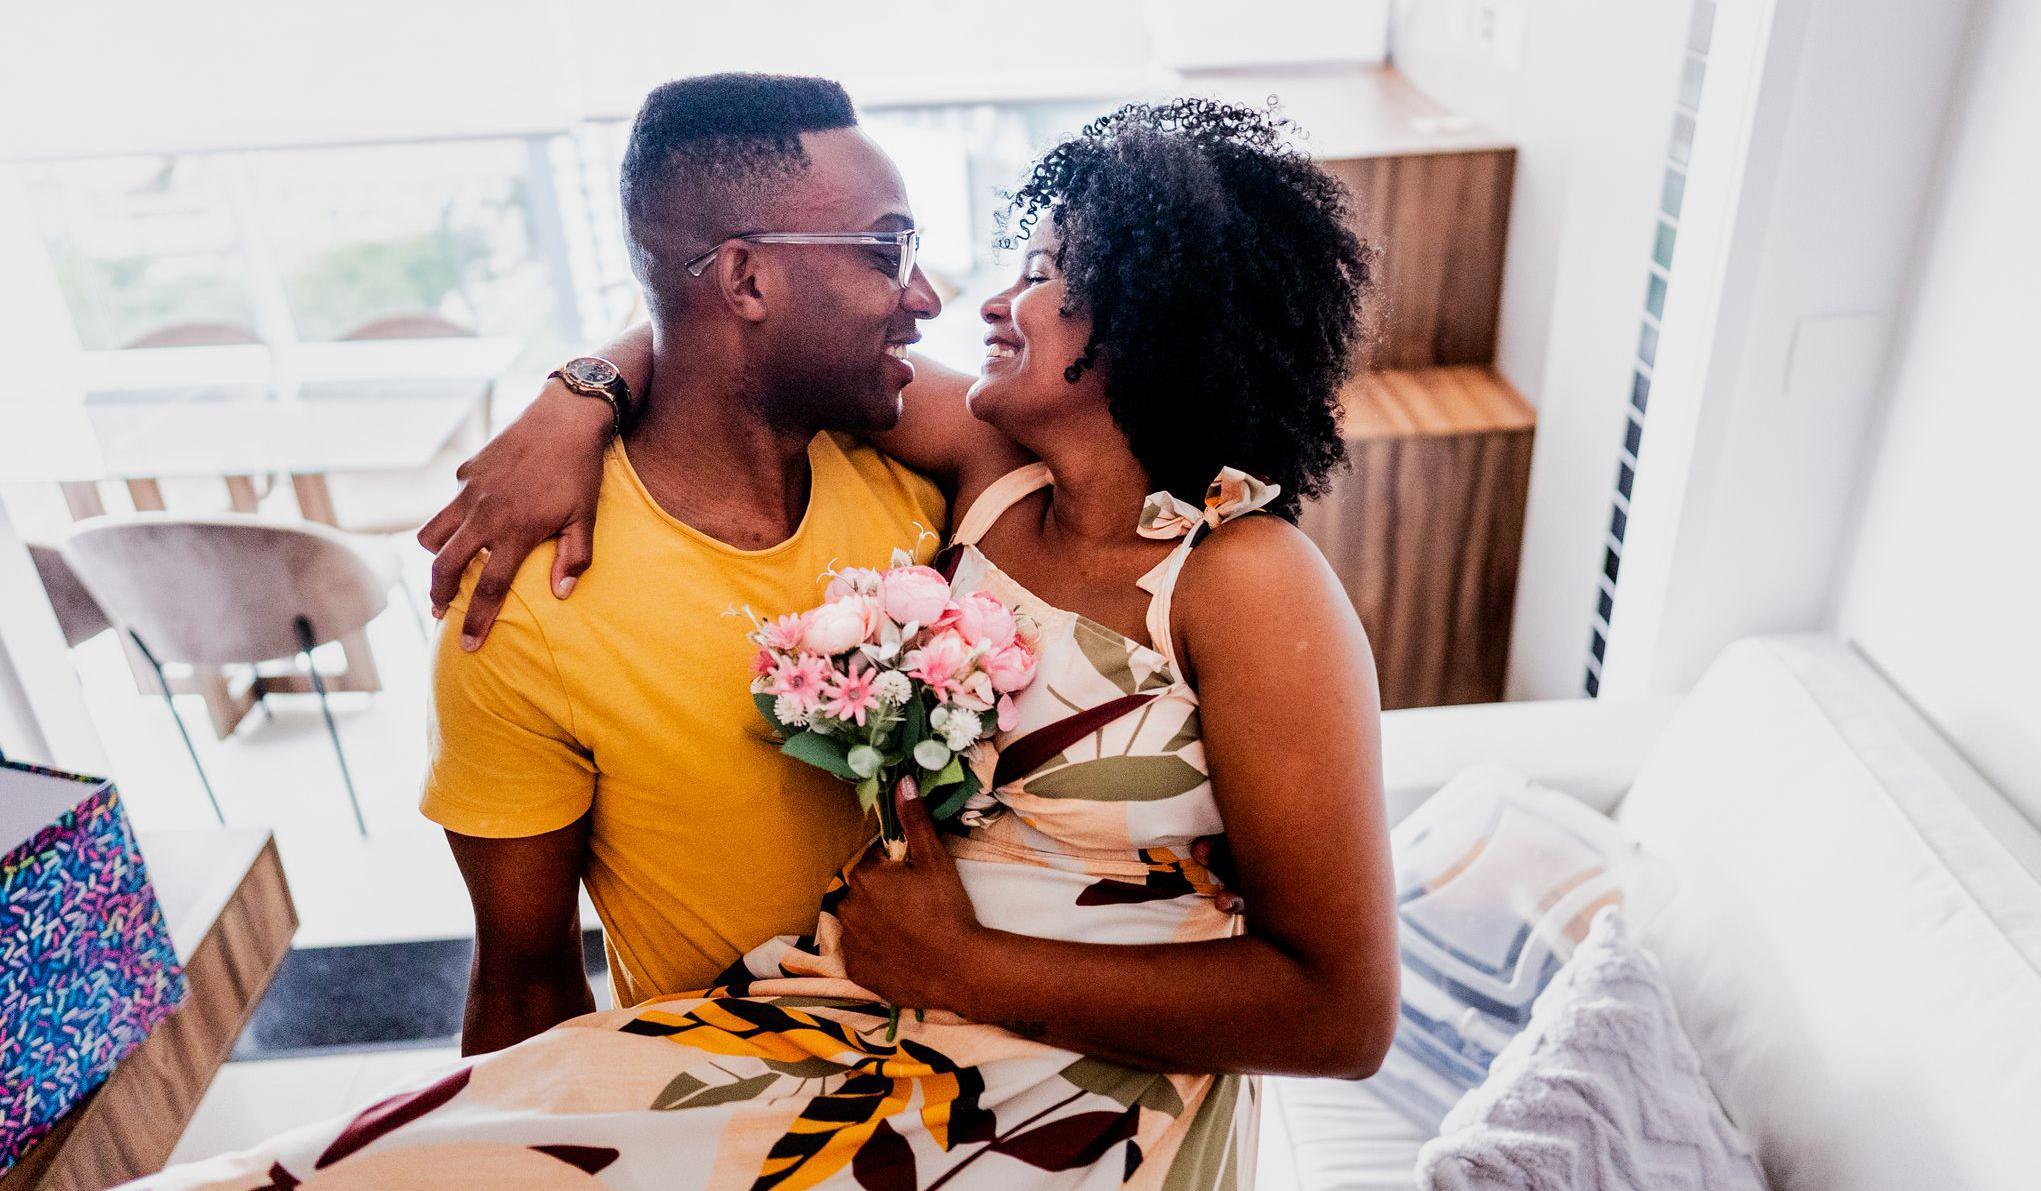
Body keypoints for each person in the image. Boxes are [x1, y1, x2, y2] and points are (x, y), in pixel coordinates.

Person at [144, 95, 1395, 1189]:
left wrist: (967, 966)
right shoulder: (992, 474)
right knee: (386, 1160)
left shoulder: (1245, 581)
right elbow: (720, 339)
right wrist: (573, 395)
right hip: (850, 1021)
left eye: (1045, 270)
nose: (983, 303)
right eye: (923, 256)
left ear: (1143, 321)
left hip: (1083, 1088)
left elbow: (1343, 1013)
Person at [419, 73, 954, 1053]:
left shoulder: (915, 471)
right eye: (888, 250)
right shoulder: (529, 607)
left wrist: (582, 384)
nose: (925, 294)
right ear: (747, 280)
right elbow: (526, 996)